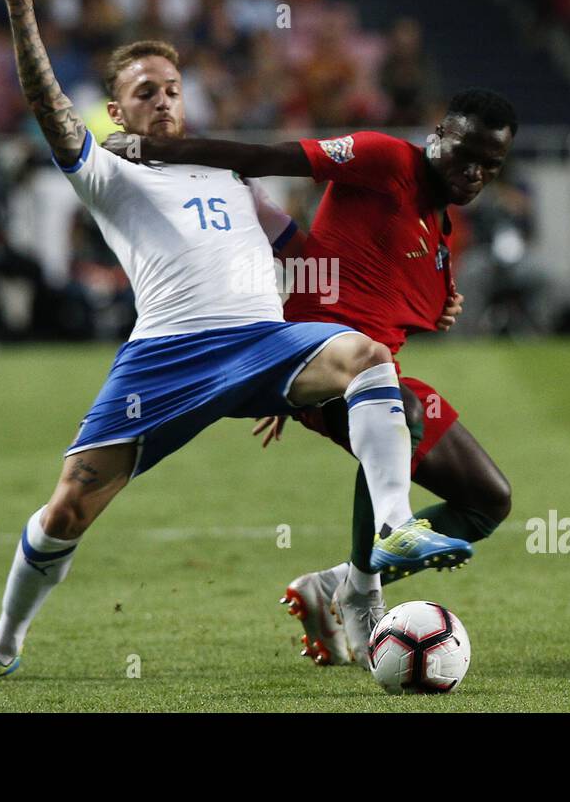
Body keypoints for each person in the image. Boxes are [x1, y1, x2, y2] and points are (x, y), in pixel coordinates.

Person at [0, 0, 468, 681]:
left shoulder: (229, 177)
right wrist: (18, 3)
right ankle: (2, 646)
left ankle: (397, 528)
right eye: (145, 93)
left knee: (366, 357)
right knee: (68, 508)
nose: (165, 102)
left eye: (173, 90)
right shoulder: (111, 172)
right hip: (167, 358)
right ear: (117, 107)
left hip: (260, 343)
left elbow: (308, 263)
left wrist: (418, 297)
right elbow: (51, 114)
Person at [102, 89, 517, 665]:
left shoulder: (440, 235)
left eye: (489, 165)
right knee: (408, 411)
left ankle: (336, 584)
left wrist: (439, 306)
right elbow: (265, 157)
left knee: (488, 503)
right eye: (463, 154)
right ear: (437, 134)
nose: (473, 173)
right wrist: (153, 148)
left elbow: (350, 282)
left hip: (365, 372)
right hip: (325, 364)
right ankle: (365, 595)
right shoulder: (383, 159)